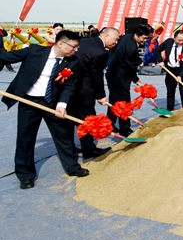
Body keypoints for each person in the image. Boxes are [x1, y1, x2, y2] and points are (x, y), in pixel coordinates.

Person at [0, 30, 88, 189]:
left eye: (77, 47)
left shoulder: (73, 61)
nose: (76, 50)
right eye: (73, 46)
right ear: (60, 43)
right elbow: (4, 57)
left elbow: (69, 86)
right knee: (25, 138)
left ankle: (72, 166)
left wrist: (62, 105)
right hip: (29, 101)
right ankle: (25, 175)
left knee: (63, 135)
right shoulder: (34, 51)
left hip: (52, 103)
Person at [67, 27, 120, 159]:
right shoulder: (100, 52)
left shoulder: (85, 41)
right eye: (115, 39)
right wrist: (100, 95)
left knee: (70, 118)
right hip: (84, 90)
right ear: (106, 36)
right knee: (88, 118)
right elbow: (96, 76)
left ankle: (70, 148)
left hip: (68, 87)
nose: (116, 43)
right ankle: (88, 149)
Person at [106, 25, 150, 137]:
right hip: (120, 77)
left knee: (113, 101)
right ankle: (125, 128)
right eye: (143, 38)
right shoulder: (132, 49)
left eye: (146, 38)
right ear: (136, 35)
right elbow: (130, 67)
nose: (144, 41)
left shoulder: (126, 37)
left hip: (112, 74)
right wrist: (136, 79)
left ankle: (109, 124)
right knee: (125, 103)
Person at [156, 30, 183, 111]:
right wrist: (160, 61)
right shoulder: (168, 42)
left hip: (182, 71)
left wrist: (180, 76)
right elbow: (157, 50)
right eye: (179, 40)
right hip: (170, 70)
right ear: (174, 38)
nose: (181, 42)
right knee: (170, 92)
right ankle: (170, 110)